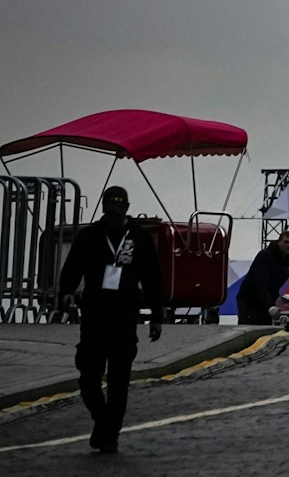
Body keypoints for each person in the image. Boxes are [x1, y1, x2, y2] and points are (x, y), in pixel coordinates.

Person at [57, 185, 163, 454]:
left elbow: (152, 278)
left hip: (125, 317)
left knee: (118, 381)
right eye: (109, 212)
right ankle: (103, 421)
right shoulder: (91, 236)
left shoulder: (139, 237)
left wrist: (156, 317)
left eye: (118, 213)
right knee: (88, 377)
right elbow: (73, 266)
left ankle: (109, 434)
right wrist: (67, 292)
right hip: (94, 315)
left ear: (126, 209)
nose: (113, 217)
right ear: (104, 209)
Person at [237, 229, 289, 325]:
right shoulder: (264, 256)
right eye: (286, 242)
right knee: (249, 328)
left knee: (265, 329)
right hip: (249, 299)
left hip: (268, 300)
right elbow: (260, 283)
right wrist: (270, 306)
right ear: (279, 242)